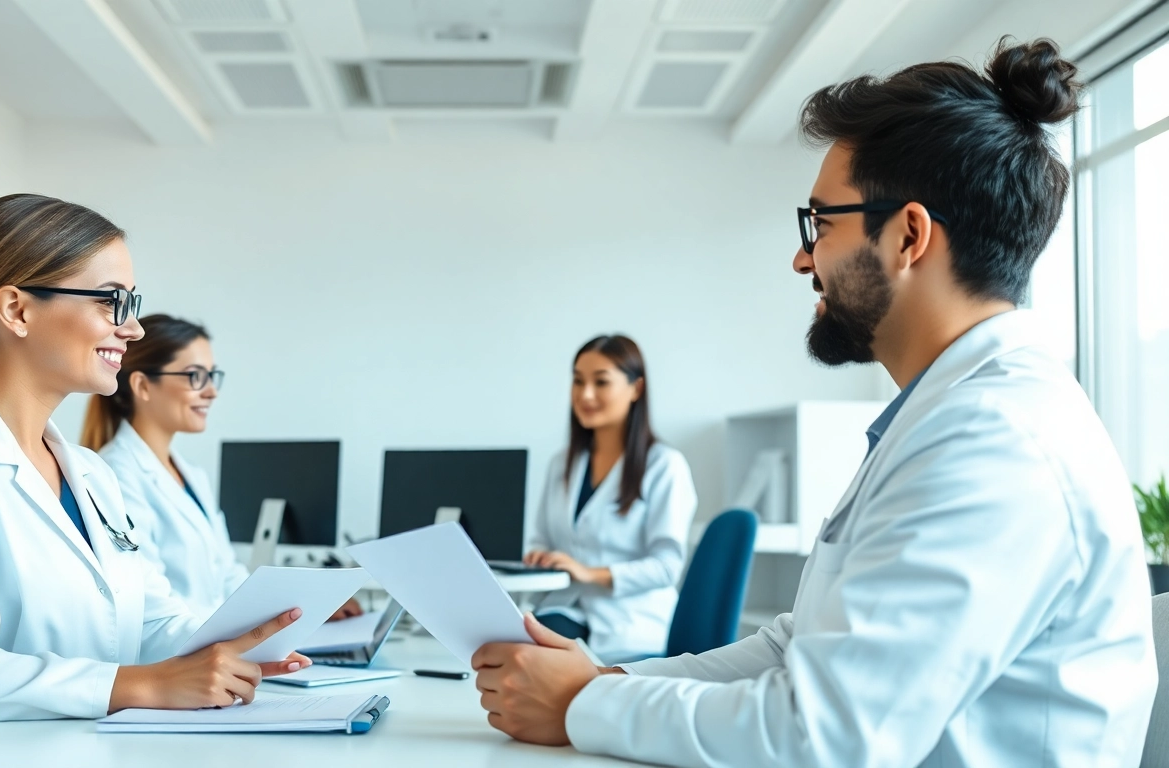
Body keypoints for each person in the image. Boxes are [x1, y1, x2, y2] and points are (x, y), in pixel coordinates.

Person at [472, 39, 1158, 766]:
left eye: (821, 225)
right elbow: (794, 647)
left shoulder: (995, 442)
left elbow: (824, 733)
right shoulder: (946, 417)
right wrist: (600, 681)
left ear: (908, 236)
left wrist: (584, 703)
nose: (804, 258)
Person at [0, 194, 309, 722]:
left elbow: (144, 623)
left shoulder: (89, 473)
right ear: (16, 310)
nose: (133, 329)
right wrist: (144, 684)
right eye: (109, 301)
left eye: (131, 303)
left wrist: (252, 639)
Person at [84, 314, 361, 621]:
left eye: (212, 376)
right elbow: (151, 601)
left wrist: (305, 611)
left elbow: (228, 575)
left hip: (213, 646)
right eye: (195, 377)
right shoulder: (116, 474)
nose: (211, 392)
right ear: (143, 386)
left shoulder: (191, 475)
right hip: (176, 656)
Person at [524, 335, 697, 662]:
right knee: (513, 644)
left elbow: (666, 566)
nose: (585, 394)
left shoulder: (663, 465)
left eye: (601, 382)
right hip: (565, 610)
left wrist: (590, 572)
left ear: (636, 389)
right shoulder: (562, 464)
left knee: (535, 658)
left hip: (629, 625)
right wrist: (540, 558)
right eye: (578, 381)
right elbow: (540, 539)